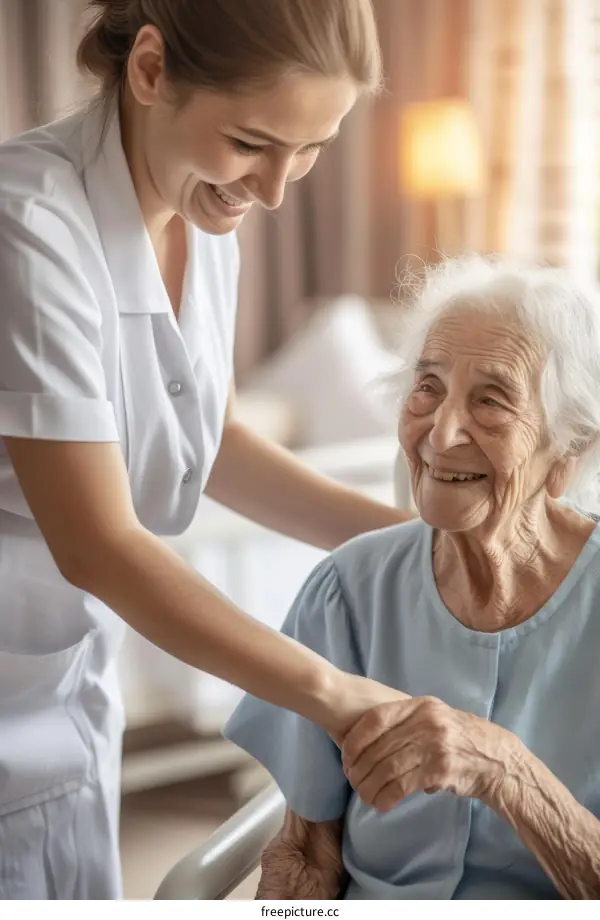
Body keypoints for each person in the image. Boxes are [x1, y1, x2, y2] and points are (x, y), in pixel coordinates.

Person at [0, 0, 412, 900]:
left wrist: (410, 543)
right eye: (253, 142)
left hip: (67, 687)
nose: (273, 190)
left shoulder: (201, 215)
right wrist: (338, 696)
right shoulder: (26, 227)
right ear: (149, 70)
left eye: (310, 151)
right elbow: (98, 543)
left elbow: (211, 443)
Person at [224, 256, 600, 900]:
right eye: (428, 387)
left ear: (565, 451)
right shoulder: (348, 589)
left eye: (491, 399)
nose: (441, 431)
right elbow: (306, 854)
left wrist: (505, 770)